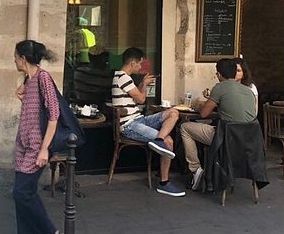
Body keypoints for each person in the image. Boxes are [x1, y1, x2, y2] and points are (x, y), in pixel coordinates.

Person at [111, 47, 184, 197]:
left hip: (139, 120)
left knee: (173, 112)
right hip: (130, 125)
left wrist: (143, 84)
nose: (140, 67)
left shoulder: (122, 78)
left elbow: (136, 98)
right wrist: (145, 85)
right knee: (169, 141)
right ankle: (164, 183)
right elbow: (141, 99)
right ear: (132, 63)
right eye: (140, 64)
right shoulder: (123, 77)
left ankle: (158, 139)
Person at [12, 40, 63, 234]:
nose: (14, 60)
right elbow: (35, 113)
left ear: (23, 59)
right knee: (24, 195)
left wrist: (44, 149)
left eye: (15, 57)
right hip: (22, 146)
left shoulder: (43, 78)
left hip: (36, 147)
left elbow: (54, 114)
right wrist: (23, 98)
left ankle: (51, 233)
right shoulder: (29, 79)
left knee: (21, 193)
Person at [180, 58, 258, 190]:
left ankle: (195, 170)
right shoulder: (249, 91)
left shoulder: (220, 87)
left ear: (219, 74)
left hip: (226, 140)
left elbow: (204, 113)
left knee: (185, 127)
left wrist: (198, 105)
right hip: (248, 143)